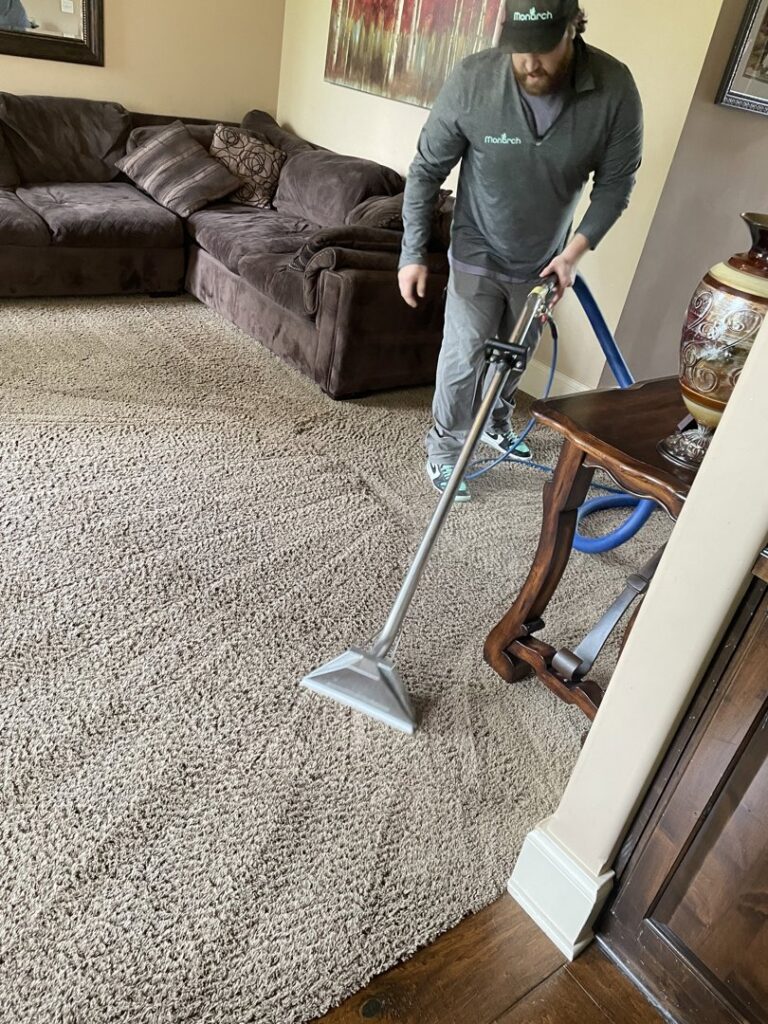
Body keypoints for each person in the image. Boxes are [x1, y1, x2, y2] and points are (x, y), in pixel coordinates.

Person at [398, 0, 643, 502]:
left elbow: (616, 185)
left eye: (543, 49)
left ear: (574, 28)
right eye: (518, 50)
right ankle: (445, 451)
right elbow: (425, 170)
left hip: (546, 260)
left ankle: (496, 421)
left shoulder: (615, 89)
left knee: (515, 357)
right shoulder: (473, 80)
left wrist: (572, 255)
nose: (530, 62)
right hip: (477, 249)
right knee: (464, 356)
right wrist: (412, 252)